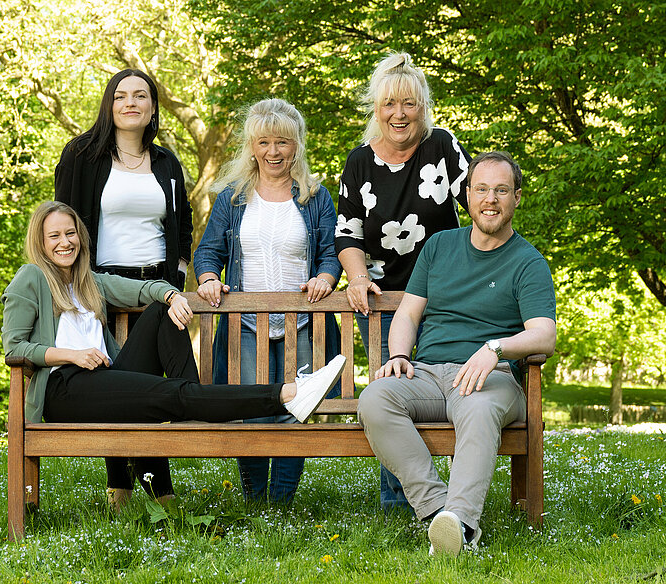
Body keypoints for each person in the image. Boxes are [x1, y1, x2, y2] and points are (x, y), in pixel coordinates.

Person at [1, 201, 345, 508]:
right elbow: (14, 348)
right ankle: (289, 393)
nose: (65, 242)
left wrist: (172, 297)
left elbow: (144, 289)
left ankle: (191, 402)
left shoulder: (89, 282)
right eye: (54, 236)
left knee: (159, 312)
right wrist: (71, 355)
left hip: (101, 379)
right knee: (170, 394)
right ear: (41, 243)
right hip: (64, 389)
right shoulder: (31, 278)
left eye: (71, 233)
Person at [355, 151, 556, 556]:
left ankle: (461, 526)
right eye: (481, 189)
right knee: (375, 398)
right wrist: (398, 355)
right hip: (427, 373)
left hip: (491, 378)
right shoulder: (439, 246)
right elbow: (409, 313)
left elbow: (544, 335)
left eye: (501, 190)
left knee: (479, 409)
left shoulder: (529, 262)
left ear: (517, 197)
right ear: (466, 195)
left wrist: (494, 348)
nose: (490, 199)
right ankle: (436, 515)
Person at [336, 52, 472, 511]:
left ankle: (451, 494)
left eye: (409, 104)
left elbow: (479, 207)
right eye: (389, 104)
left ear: (423, 106)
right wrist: (355, 278)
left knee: (438, 390)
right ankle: (399, 502)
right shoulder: (357, 162)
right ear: (375, 107)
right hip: (381, 296)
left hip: (443, 298)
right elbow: (348, 233)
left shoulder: (443, 147)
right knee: (389, 389)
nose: (399, 114)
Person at [54, 69, 193, 506]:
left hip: (157, 285)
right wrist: (72, 285)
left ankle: (154, 487)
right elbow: (62, 222)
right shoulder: (82, 155)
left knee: (147, 382)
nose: (130, 103)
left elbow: (181, 223)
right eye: (121, 96)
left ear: (153, 106)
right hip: (102, 286)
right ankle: (121, 486)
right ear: (109, 105)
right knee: (112, 383)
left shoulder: (168, 162)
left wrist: (179, 272)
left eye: (141, 96)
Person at [193, 99, 341, 503]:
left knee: (298, 408)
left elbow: (331, 252)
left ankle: (281, 503)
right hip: (245, 324)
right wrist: (208, 279)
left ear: (297, 146)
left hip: (303, 323)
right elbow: (207, 253)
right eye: (264, 142)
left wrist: (326, 278)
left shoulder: (315, 196)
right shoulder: (232, 198)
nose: (273, 152)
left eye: (282, 142)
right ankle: (254, 500)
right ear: (251, 146)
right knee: (253, 409)